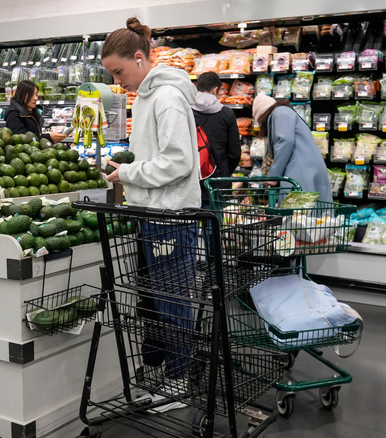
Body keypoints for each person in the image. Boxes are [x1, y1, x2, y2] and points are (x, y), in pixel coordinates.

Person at [101, 17, 200, 413]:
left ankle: (179, 384)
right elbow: (155, 155)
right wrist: (126, 164)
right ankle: (167, 373)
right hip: (152, 213)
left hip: (171, 217)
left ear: (139, 58)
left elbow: (177, 161)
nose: (117, 80)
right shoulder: (146, 97)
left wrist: (128, 173)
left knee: (172, 300)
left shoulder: (167, 98)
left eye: (119, 71)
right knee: (156, 301)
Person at [252, 92, 333, 203]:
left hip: (300, 171)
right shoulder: (284, 112)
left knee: (297, 216)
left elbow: (285, 141)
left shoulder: (280, 112)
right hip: (306, 169)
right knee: (313, 216)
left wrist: (274, 176)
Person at [191, 72, 241, 207]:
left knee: (191, 222)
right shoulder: (227, 114)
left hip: (192, 180)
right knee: (215, 224)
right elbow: (235, 152)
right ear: (215, 90)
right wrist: (224, 171)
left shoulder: (187, 111)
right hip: (218, 182)